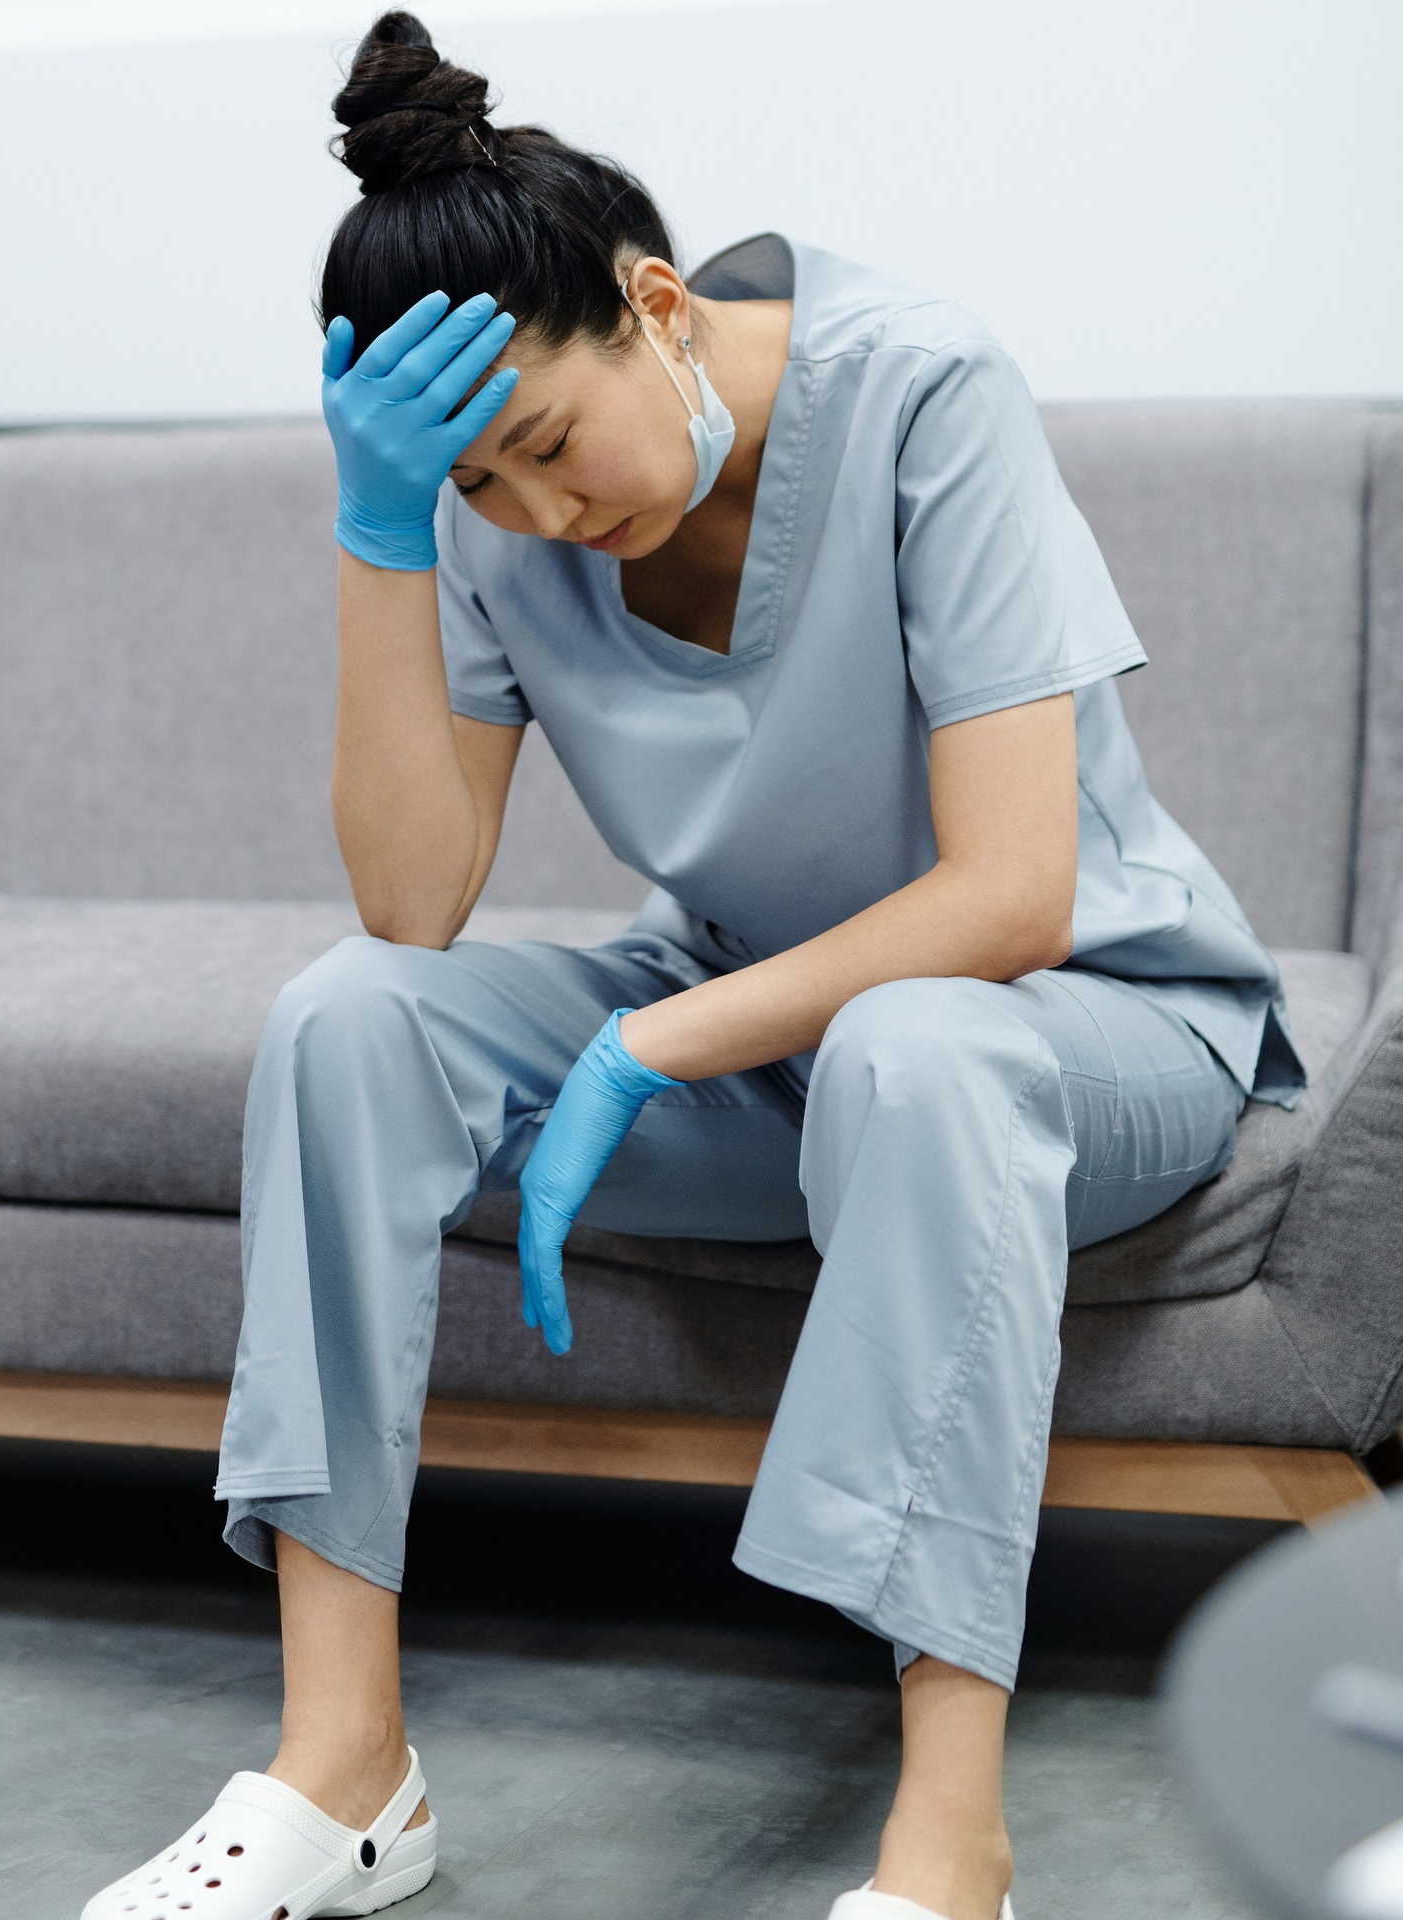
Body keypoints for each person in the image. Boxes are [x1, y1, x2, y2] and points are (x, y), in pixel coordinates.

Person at [81, 13, 1299, 1920]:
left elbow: (1011, 897)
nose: (550, 518)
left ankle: (947, 1842)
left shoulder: (923, 389)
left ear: (653, 304)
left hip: (1089, 1031)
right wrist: (384, 537)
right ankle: (347, 1766)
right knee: (346, 1019)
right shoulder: (484, 520)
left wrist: (655, 1046)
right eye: (486, 485)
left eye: (553, 447)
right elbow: (412, 909)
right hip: (763, 1029)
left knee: (920, 1042)